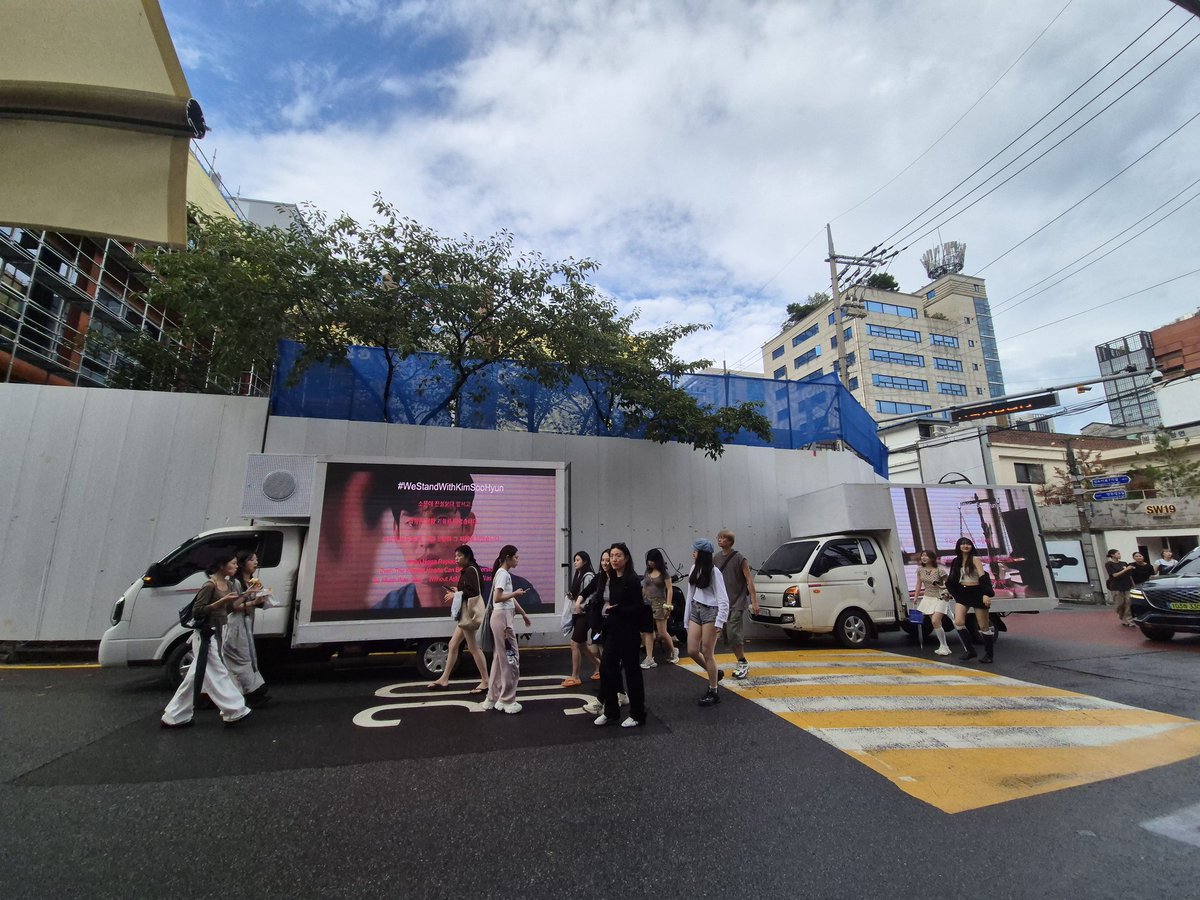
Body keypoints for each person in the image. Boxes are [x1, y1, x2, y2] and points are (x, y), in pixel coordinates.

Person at [160, 553, 251, 728]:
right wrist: (220, 602)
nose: (236, 566)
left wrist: (247, 594)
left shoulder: (230, 584)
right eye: (232, 563)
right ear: (221, 565)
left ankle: (175, 716)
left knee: (194, 676)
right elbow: (198, 611)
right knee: (218, 672)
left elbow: (230, 609)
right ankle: (235, 710)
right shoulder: (209, 585)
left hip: (219, 631)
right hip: (205, 634)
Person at [582, 542, 646, 728]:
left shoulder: (632, 580)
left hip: (628, 632)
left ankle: (637, 714)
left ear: (626, 558)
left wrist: (618, 610)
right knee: (606, 669)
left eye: (618, 555)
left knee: (632, 672)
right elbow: (597, 599)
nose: (614, 559)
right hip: (611, 631)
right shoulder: (608, 578)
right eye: (612, 556)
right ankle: (611, 711)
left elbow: (638, 608)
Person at [426, 544, 490, 693]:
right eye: (455, 556)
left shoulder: (470, 570)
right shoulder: (472, 569)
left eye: (459, 556)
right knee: (453, 644)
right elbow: (473, 589)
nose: (456, 559)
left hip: (467, 614)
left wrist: (457, 594)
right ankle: (444, 678)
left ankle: (486, 681)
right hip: (465, 614)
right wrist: (459, 590)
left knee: (473, 647)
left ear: (467, 556)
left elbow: (473, 591)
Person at [482, 545, 532, 714]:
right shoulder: (503, 574)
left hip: (501, 617)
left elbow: (507, 599)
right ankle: (507, 700)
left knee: (499, 658)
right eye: (516, 557)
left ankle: (492, 697)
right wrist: (514, 594)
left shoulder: (501, 574)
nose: (518, 560)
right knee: (511, 659)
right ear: (508, 557)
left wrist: (523, 613)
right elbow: (498, 597)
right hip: (503, 620)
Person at [684, 538, 730, 706]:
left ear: (701, 553)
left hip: (711, 611)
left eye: (695, 551)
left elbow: (723, 598)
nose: (693, 553)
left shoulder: (714, 571)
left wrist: (720, 621)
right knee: (692, 650)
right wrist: (686, 618)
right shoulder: (693, 568)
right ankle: (715, 673)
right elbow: (690, 594)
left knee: (707, 651)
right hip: (696, 609)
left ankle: (713, 690)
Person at [224, 550, 270, 706]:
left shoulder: (252, 581)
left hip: (246, 625)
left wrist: (261, 597)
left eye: (256, 560)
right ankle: (249, 693)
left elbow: (260, 603)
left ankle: (252, 691)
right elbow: (232, 607)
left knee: (248, 658)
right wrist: (251, 601)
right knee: (241, 660)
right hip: (235, 626)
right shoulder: (234, 583)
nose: (256, 563)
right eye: (252, 560)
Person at [715, 529, 758, 679]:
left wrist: (754, 601)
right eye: (719, 538)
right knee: (727, 635)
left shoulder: (740, 557)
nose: (720, 540)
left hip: (737, 602)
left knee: (733, 633)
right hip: (723, 603)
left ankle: (743, 662)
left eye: (723, 538)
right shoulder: (716, 558)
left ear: (730, 542)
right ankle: (741, 660)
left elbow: (749, 580)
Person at [947, 537, 994, 664]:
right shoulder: (956, 561)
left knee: (983, 626)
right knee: (958, 622)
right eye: (963, 544)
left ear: (971, 546)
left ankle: (989, 654)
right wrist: (949, 591)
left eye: (968, 544)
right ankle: (970, 650)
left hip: (977, 592)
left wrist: (986, 594)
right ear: (958, 546)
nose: (965, 546)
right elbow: (952, 579)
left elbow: (983, 576)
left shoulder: (975, 559)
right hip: (963, 593)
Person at [912, 549, 965, 658]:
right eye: (922, 556)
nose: (924, 557)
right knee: (934, 622)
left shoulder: (939, 570)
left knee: (936, 620)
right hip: (928, 597)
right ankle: (944, 646)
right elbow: (918, 584)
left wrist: (943, 588)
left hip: (941, 597)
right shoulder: (920, 570)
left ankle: (946, 646)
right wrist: (916, 597)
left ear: (932, 558)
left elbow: (949, 583)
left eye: (926, 556)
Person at [562, 551, 601, 687]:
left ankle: (575, 676)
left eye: (577, 560)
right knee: (582, 645)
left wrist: (581, 605)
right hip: (579, 613)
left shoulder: (588, 576)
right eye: (575, 560)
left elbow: (589, 595)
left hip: (584, 614)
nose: (575, 562)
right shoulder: (579, 574)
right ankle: (598, 666)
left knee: (574, 643)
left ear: (584, 561)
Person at [639, 548, 677, 669]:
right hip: (646, 603)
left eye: (652, 561)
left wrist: (668, 606)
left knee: (662, 632)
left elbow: (669, 589)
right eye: (648, 561)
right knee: (648, 632)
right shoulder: (647, 572)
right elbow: (644, 587)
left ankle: (673, 651)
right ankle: (649, 658)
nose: (650, 563)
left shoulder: (664, 573)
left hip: (660, 603)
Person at [1105, 549, 1136, 627]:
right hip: (1116, 586)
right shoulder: (1109, 564)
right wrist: (1126, 569)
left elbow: (1129, 574)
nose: (1119, 555)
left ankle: (1129, 620)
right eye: (1118, 553)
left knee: (1128, 602)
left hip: (1127, 585)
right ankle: (1122, 617)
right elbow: (1114, 575)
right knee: (1120, 604)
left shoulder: (1123, 563)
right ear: (1112, 555)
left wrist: (1130, 569)